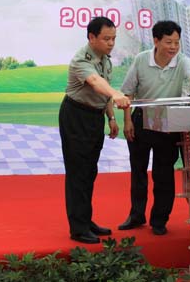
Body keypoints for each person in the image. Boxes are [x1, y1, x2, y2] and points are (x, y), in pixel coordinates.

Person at [118, 20, 190, 236]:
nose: (173, 47)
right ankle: (136, 215)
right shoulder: (141, 59)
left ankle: (159, 220)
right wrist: (127, 121)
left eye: (177, 42)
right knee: (138, 171)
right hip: (141, 120)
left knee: (164, 174)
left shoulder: (182, 60)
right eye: (168, 42)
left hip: (168, 124)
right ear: (156, 41)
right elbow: (128, 92)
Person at [59, 17, 131, 244]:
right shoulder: (81, 59)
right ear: (91, 37)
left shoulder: (105, 60)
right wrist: (116, 94)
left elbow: (103, 90)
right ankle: (78, 228)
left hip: (95, 116)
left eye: (114, 39)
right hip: (76, 116)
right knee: (78, 172)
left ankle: (86, 220)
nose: (111, 43)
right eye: (106, 39)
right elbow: (95, 82)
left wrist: (111, 118)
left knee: (90, 171)